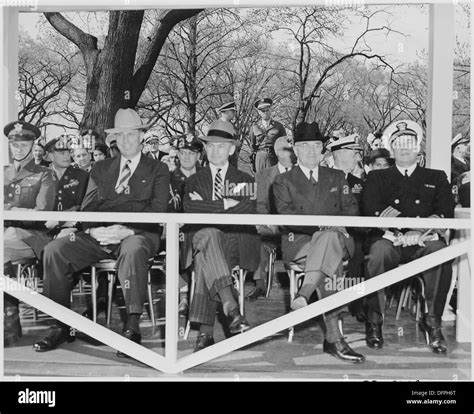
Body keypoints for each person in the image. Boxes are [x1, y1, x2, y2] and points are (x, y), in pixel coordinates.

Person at [33, 108, 170, 356]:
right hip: (100, 233)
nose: (126, 140)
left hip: (137, 234)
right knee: (55, 250)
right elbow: (88, 207)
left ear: (141, 136)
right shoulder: (101, 168)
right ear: (114, 139)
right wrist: (95, 229)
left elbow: (158, 209)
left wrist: (125, 228)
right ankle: (61, 324)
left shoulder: (158, 168)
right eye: (121, 135)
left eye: (132, 134)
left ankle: (132, 326)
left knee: (133, 249)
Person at [273, 121, 365, 364]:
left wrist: (328, 228)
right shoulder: (283, 181)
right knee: (329, 249)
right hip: (300, 243)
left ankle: (305, 292)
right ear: (296, 150)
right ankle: (334, 338)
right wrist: (323, 226)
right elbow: (286, 217)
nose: (312, 151)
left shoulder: (336, 177)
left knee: (330, 239)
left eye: (316, 146)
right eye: (305, 146)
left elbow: (352, 213)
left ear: (323, 150)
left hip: (338, 239)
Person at [361, 120, 455, 354]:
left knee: (441, 253)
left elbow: (445, 211)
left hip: (424, 240)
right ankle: (374, 321)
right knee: (378, 254)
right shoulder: (377, 178)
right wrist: (402, 232)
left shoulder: (436, 177)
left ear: (418, 148)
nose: (404, 148)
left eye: (409, 143)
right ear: (391, 149)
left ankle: (433, 323)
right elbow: (371, 209)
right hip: (390, 240)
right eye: (398, 143)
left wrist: (418, 232)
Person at [183, 119, 260, 352]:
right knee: (209, 236)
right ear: (205, 149)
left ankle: (205, 333)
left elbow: (246, 210)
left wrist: (208, 206)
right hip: (200, 239)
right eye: (210, 146)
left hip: (236, 242)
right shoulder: (193, 180)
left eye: (221, 145)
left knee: (207, 249)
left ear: (232, 149)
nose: (215, 150)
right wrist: (227, 204)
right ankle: (231, 307)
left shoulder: (246, 179)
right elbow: (190, 209)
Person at [3, 121, 57, 346]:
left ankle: (9, 323)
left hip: (32, 236)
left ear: (33, 144)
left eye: (24, 144)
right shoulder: (2, 173)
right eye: (14, 144)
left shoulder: (45, 174)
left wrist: (11, 211)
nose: (18, 149)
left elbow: (42, 213)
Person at [247, 136, 295, 300]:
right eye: (286, 150)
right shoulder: (263, 175)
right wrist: (270, 223)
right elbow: (260, 205)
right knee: (259, 237)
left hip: (297, 229)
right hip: (272, 227)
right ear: (276, 152)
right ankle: (260, 285)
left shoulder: (303, 174)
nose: (291, 153)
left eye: (292, 149)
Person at [168, 137, 203, 317]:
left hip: (203, 229)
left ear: (198, 156)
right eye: (182, 153)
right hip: (176, 230)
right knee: (172, 247)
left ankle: (202, 294)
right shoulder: (168, 178)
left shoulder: (208, 176)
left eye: (191, 153)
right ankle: (184, 293)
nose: (186, 157)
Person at [238, 98, 286, 175]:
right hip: (259, 157)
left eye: (267, 110)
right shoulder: (254, 127)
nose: (265, 112)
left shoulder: (279, 126)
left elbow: (283, 145)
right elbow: (252, 145)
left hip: (273, 157)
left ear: (271, 110)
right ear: (259, 112)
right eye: (263, 111)